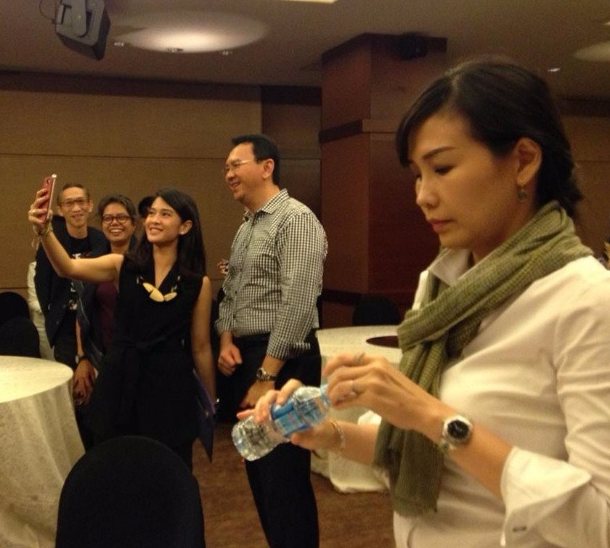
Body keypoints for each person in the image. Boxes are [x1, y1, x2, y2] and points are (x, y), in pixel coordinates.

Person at [248, 58, 610, 548]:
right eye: (417, 175)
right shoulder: (441, 285)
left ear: (524, 160)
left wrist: (434, 418)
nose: (422, 195)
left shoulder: (586, 300)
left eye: (441, 168)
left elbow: (601, 522)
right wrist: (327, 431)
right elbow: (409, 447)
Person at [29, 187, 215, 471]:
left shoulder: (197, 283)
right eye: (151, 213)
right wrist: (44, 231)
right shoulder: (122, 266)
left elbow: (201, 348)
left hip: (168, 386)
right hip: (121, 378)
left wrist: (210, 403)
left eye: (165, 214)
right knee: (116, 465)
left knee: (168, 468)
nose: (153, 220)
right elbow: (68, 268)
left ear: (185, 226)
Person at [216, 134, 327, 548]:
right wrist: (226, 338)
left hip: (283, 364)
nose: (229, 174)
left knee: (284, 481)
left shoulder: (295, 219)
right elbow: (231, 292)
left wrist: (267, 374)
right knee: (261, 475)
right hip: (251, 358)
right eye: (226, 167)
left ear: (267, 167)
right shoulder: (247, 226)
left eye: (236, 164)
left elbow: (298, 301)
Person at [74, 194, 138, 410]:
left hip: (139, 358)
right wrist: (83, 357)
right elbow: (82, 314)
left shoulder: (148, 263)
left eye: (122, 217)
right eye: (108, 218)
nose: (114, 223)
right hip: (102, 358)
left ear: (134, 224)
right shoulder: (91, 261)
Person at [34, 184, 108, 370]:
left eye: (81, 202)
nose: (76, 208)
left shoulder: (101, 239)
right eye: (69, 203)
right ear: (60, 209)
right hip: (64, 322)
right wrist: (52, 314)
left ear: (90, 205)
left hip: (95, 320)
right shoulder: (52, 242)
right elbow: (42, 283)